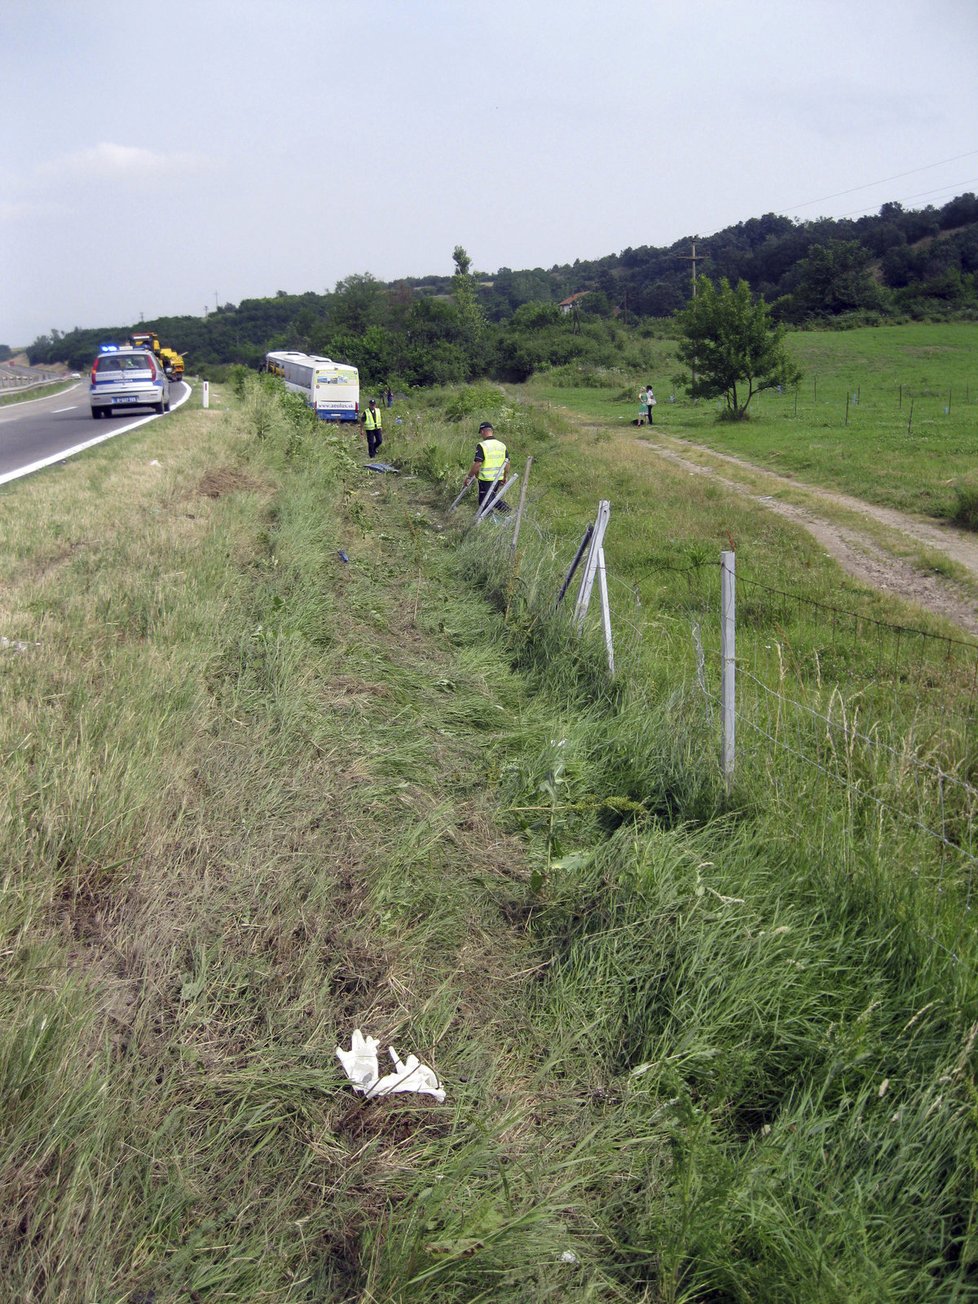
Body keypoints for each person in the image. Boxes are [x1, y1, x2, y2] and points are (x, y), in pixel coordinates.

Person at [462, 421, 510, 512]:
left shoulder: (482, 446)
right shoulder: (502, 445)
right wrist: (504, 477)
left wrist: (469, 477)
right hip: (498, 478)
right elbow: (507, 464)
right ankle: (491, 519)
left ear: (482, 431)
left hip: (486, 479)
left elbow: (478, 464)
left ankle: (507, 511)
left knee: (486, 501)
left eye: (480, 433)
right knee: (490, 499)